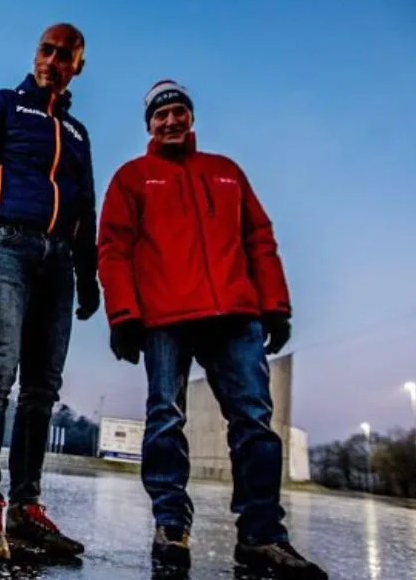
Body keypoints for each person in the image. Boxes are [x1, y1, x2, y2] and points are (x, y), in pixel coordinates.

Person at [97, 80, 327, 579]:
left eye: (179, 112)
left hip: (235, 318)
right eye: (161, 115)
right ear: (149, 125)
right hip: (165, 318)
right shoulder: (132, 178)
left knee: (254, 424)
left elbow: (260, 239)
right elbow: (113, 248)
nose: (171, 121)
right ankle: (171, 526)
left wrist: (276, 307)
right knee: (164, 419)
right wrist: (123, 316)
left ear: (191, 117)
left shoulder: (226, 173)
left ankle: (262, 535)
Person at [0, 23, 98, 561]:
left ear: (77, 66)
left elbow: (85, 209)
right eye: (46, 50)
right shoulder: (2, 105)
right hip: (4, 243)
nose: (52, 61)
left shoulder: (77, 134)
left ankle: (26, 509)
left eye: (65, 56)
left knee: (41, 390)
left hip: (58, 261)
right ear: (37, 55)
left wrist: (90, 272)